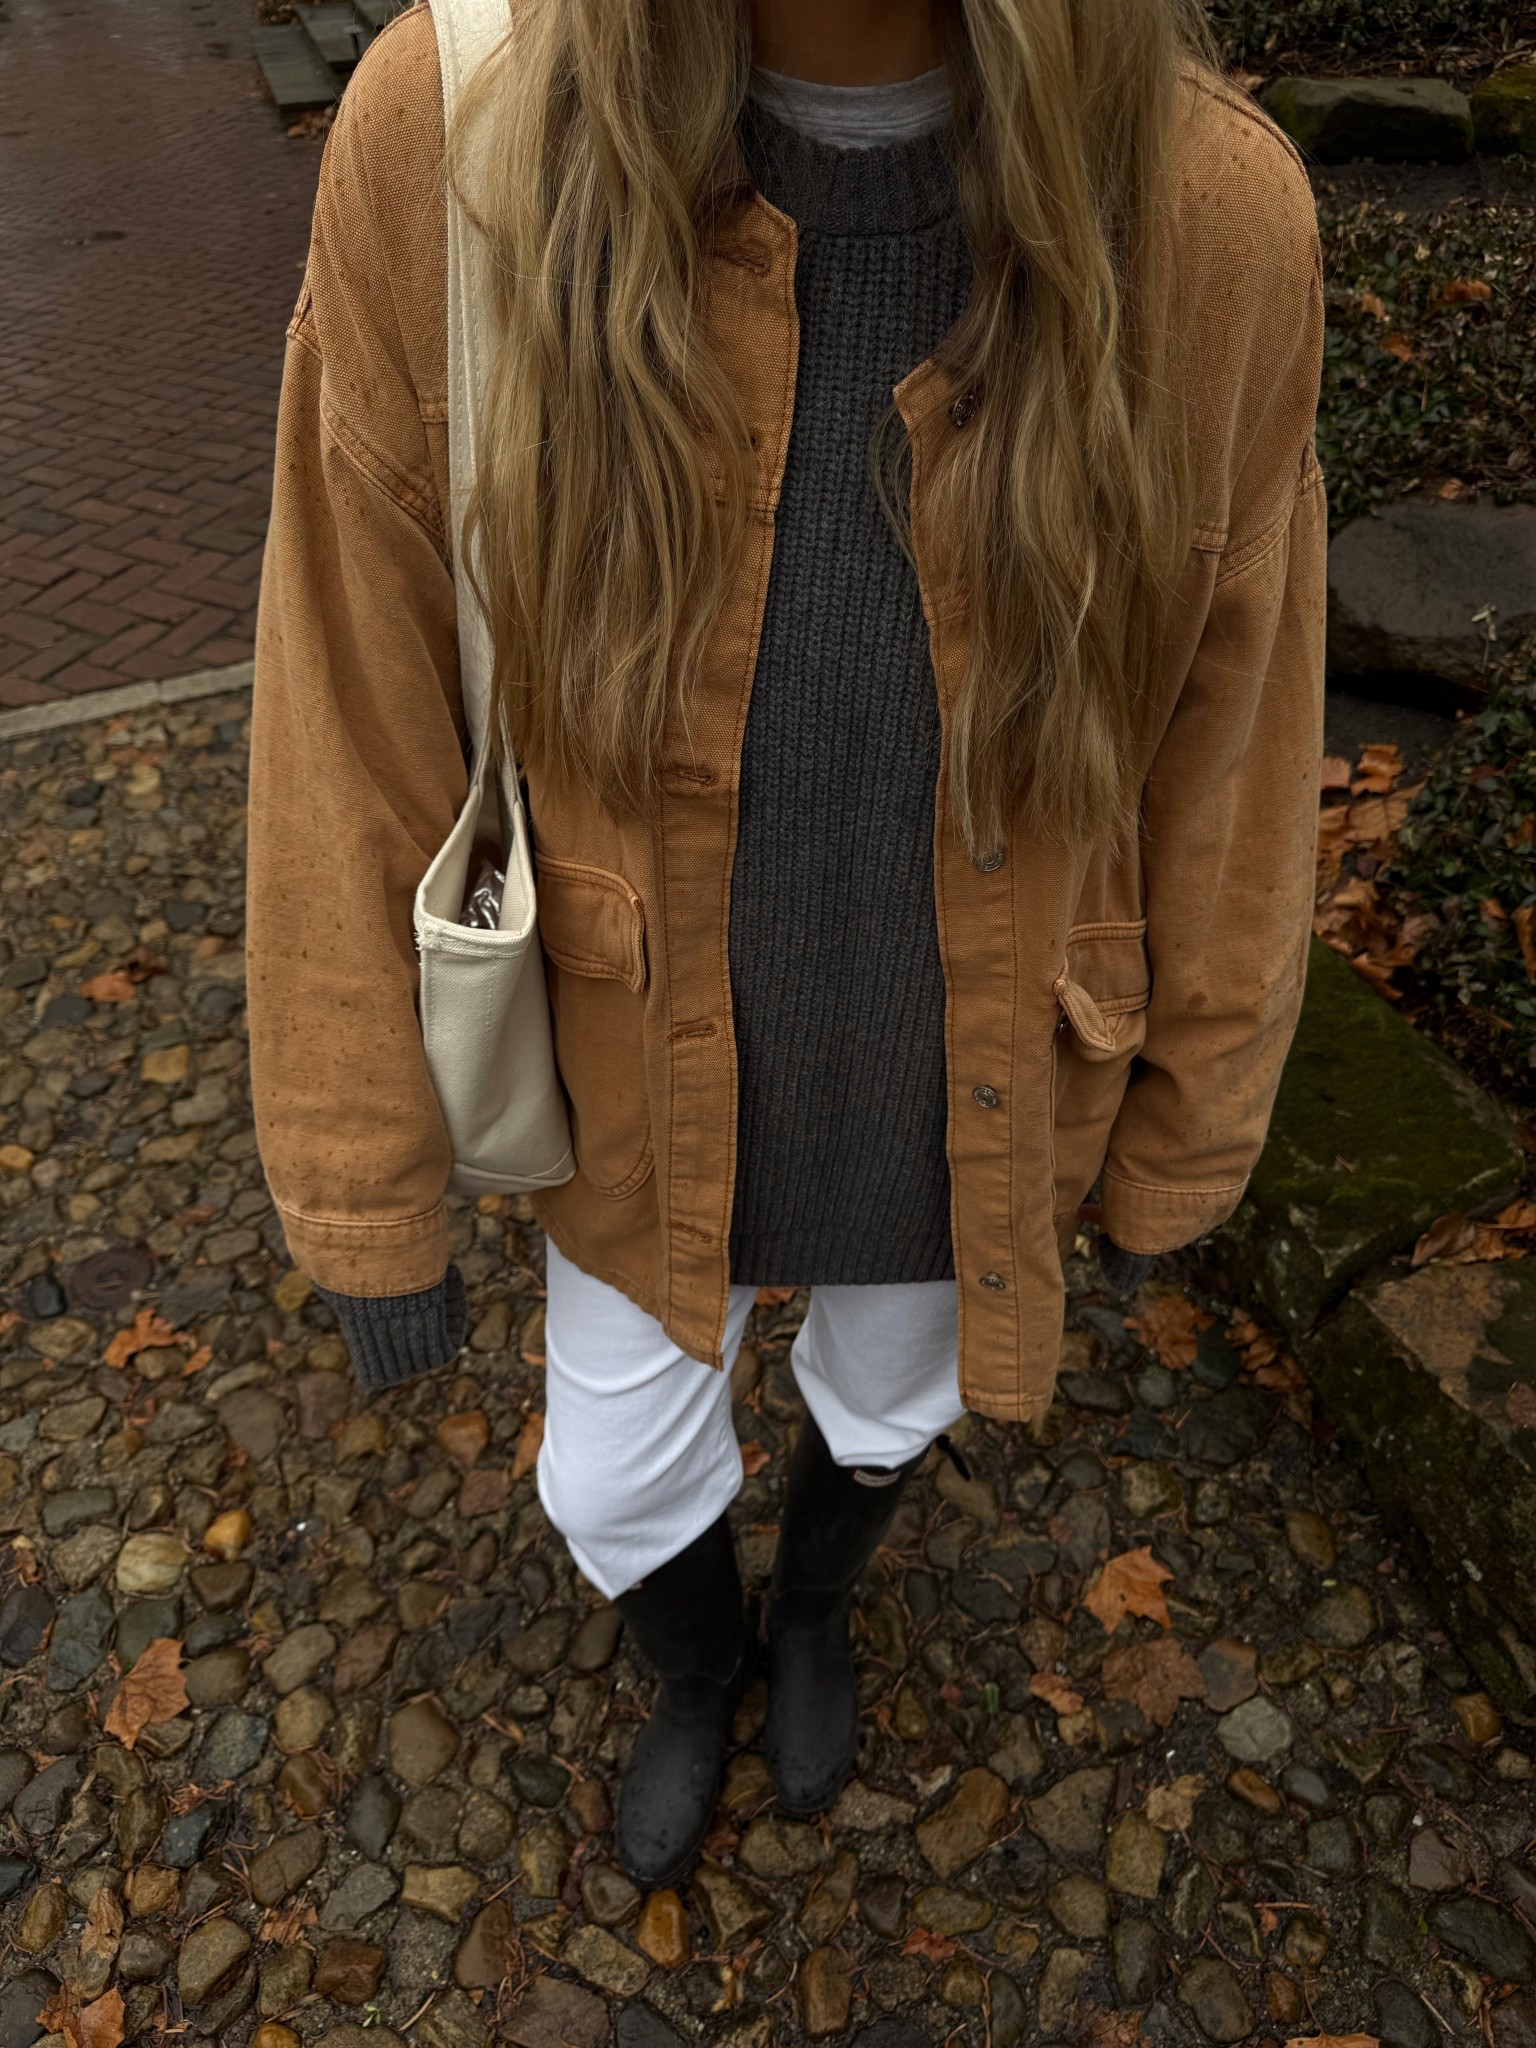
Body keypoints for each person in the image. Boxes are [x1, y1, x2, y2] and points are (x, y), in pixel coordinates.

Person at [246, 0, 1327, 1887]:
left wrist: (1186, 1125)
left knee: (898, 1398)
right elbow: (349, 689)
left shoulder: (1210, 216)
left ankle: (815, 1606)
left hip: (963, 1080)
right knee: (613, 1469)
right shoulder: (460, 135)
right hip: (626, 1072)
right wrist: (359, 1167)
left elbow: (1234, 734)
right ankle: (695, 1664)